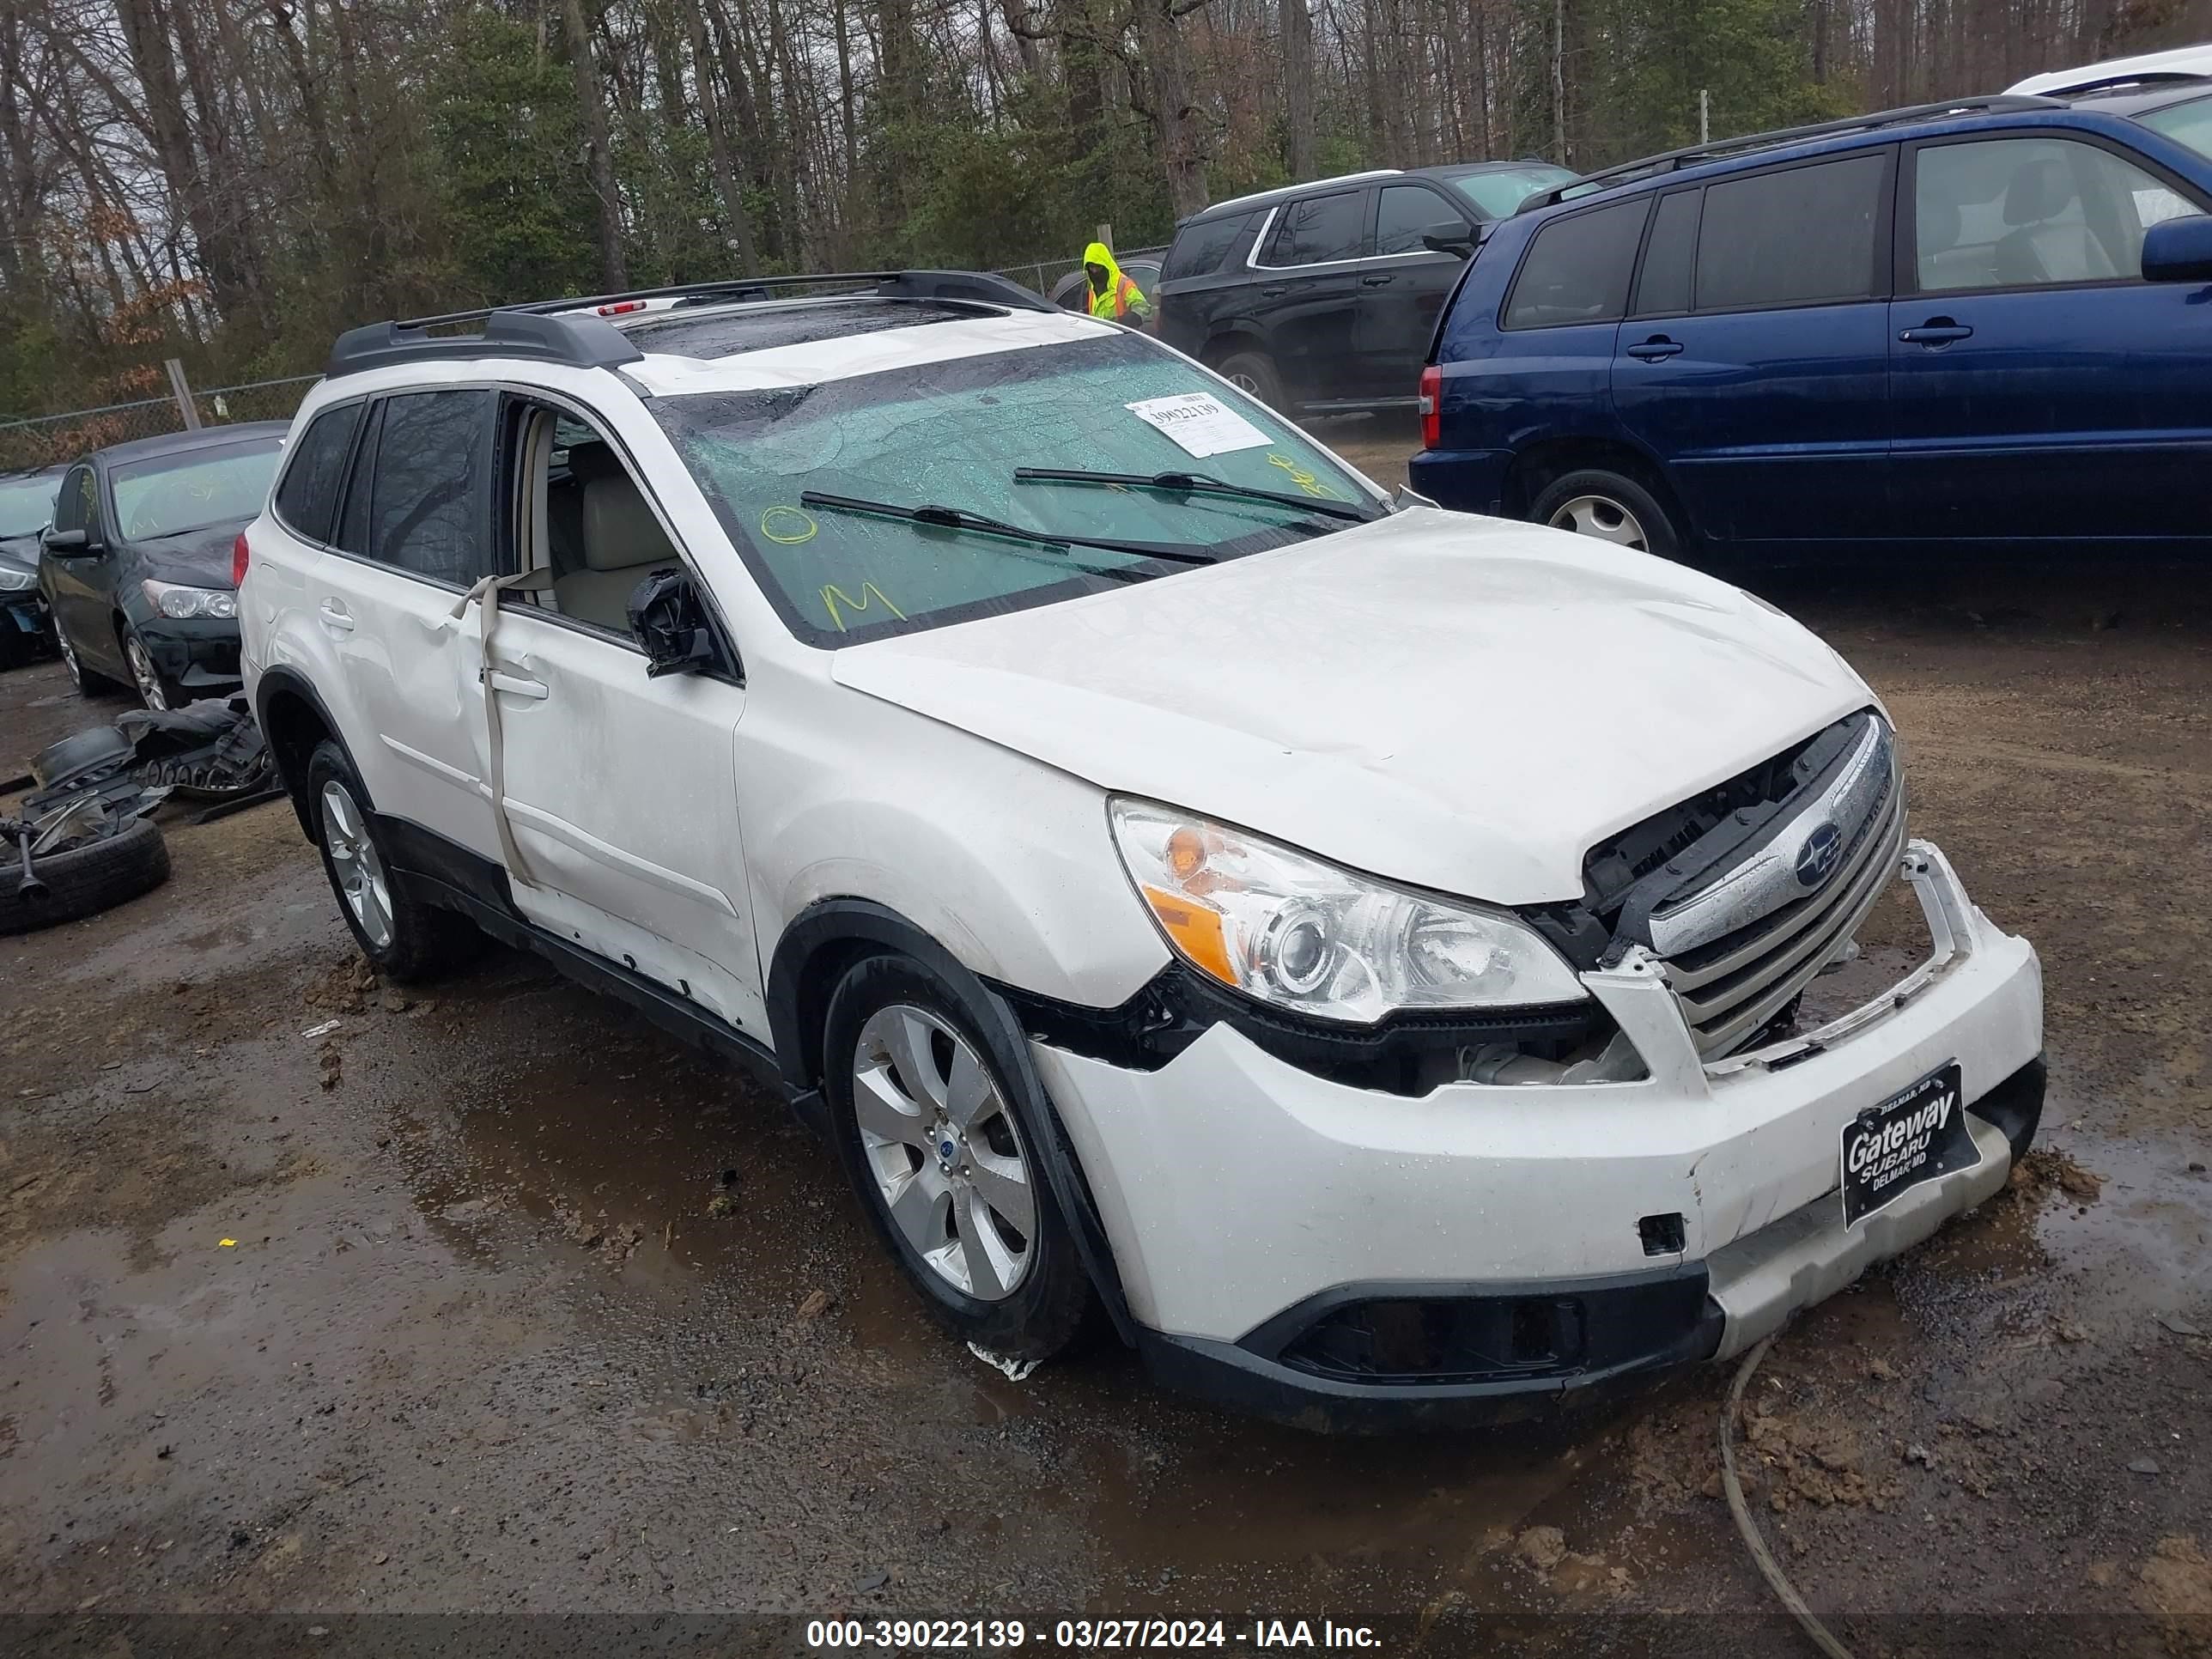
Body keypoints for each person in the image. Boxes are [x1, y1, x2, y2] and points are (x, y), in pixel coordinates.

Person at [1083, 241, 1154, 327]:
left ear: (1106, 265)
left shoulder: (1123, 284)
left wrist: (1127, 319)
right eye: (1091, 267)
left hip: (1123, 338)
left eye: (1098, 267)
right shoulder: (1092, 288)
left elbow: (1144, 308)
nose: (1094, 271)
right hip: (1102, 337)